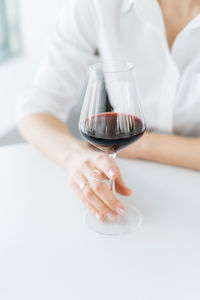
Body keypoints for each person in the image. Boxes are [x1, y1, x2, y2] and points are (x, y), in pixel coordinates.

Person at [17, 0, 200, 221]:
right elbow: (36, 108)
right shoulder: (97, 5)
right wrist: (76, 157)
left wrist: (143, 146)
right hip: (136, 181)